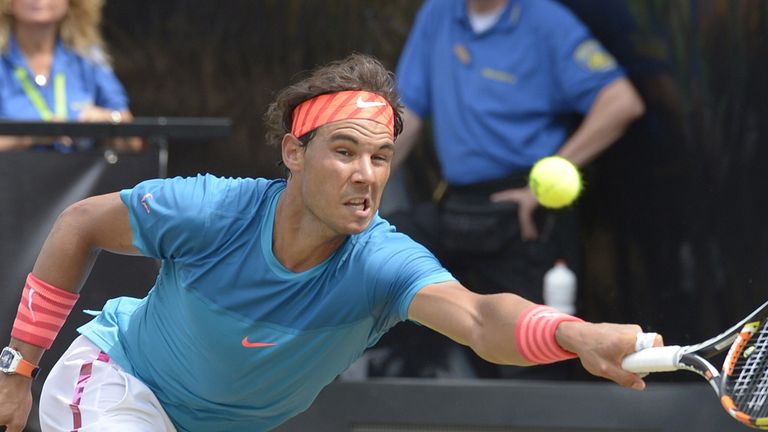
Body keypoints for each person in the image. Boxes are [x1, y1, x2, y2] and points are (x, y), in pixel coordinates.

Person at [0, 53, 659, 432]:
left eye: (380, 158)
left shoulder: (381, 261)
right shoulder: (211, 210)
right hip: (117, 386)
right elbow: (78, 222)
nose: (366, 175)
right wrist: (18, 369)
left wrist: (577, 335)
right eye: (344, 152)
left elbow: (483, 319)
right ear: (294, 151)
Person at [373, 0, 647, 379]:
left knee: (540, 351)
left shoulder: (545, 20)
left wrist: (546, 181)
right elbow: (408, 114)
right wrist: (368, 178)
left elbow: (621, 101)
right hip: (457, 207)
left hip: (526, 211)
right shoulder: (438, 13)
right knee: (380, 260)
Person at [0, 0, 140, 152]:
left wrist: (108, 121)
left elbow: (134, 143)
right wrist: (31, 136)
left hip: (78, 172)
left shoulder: (87, 58)